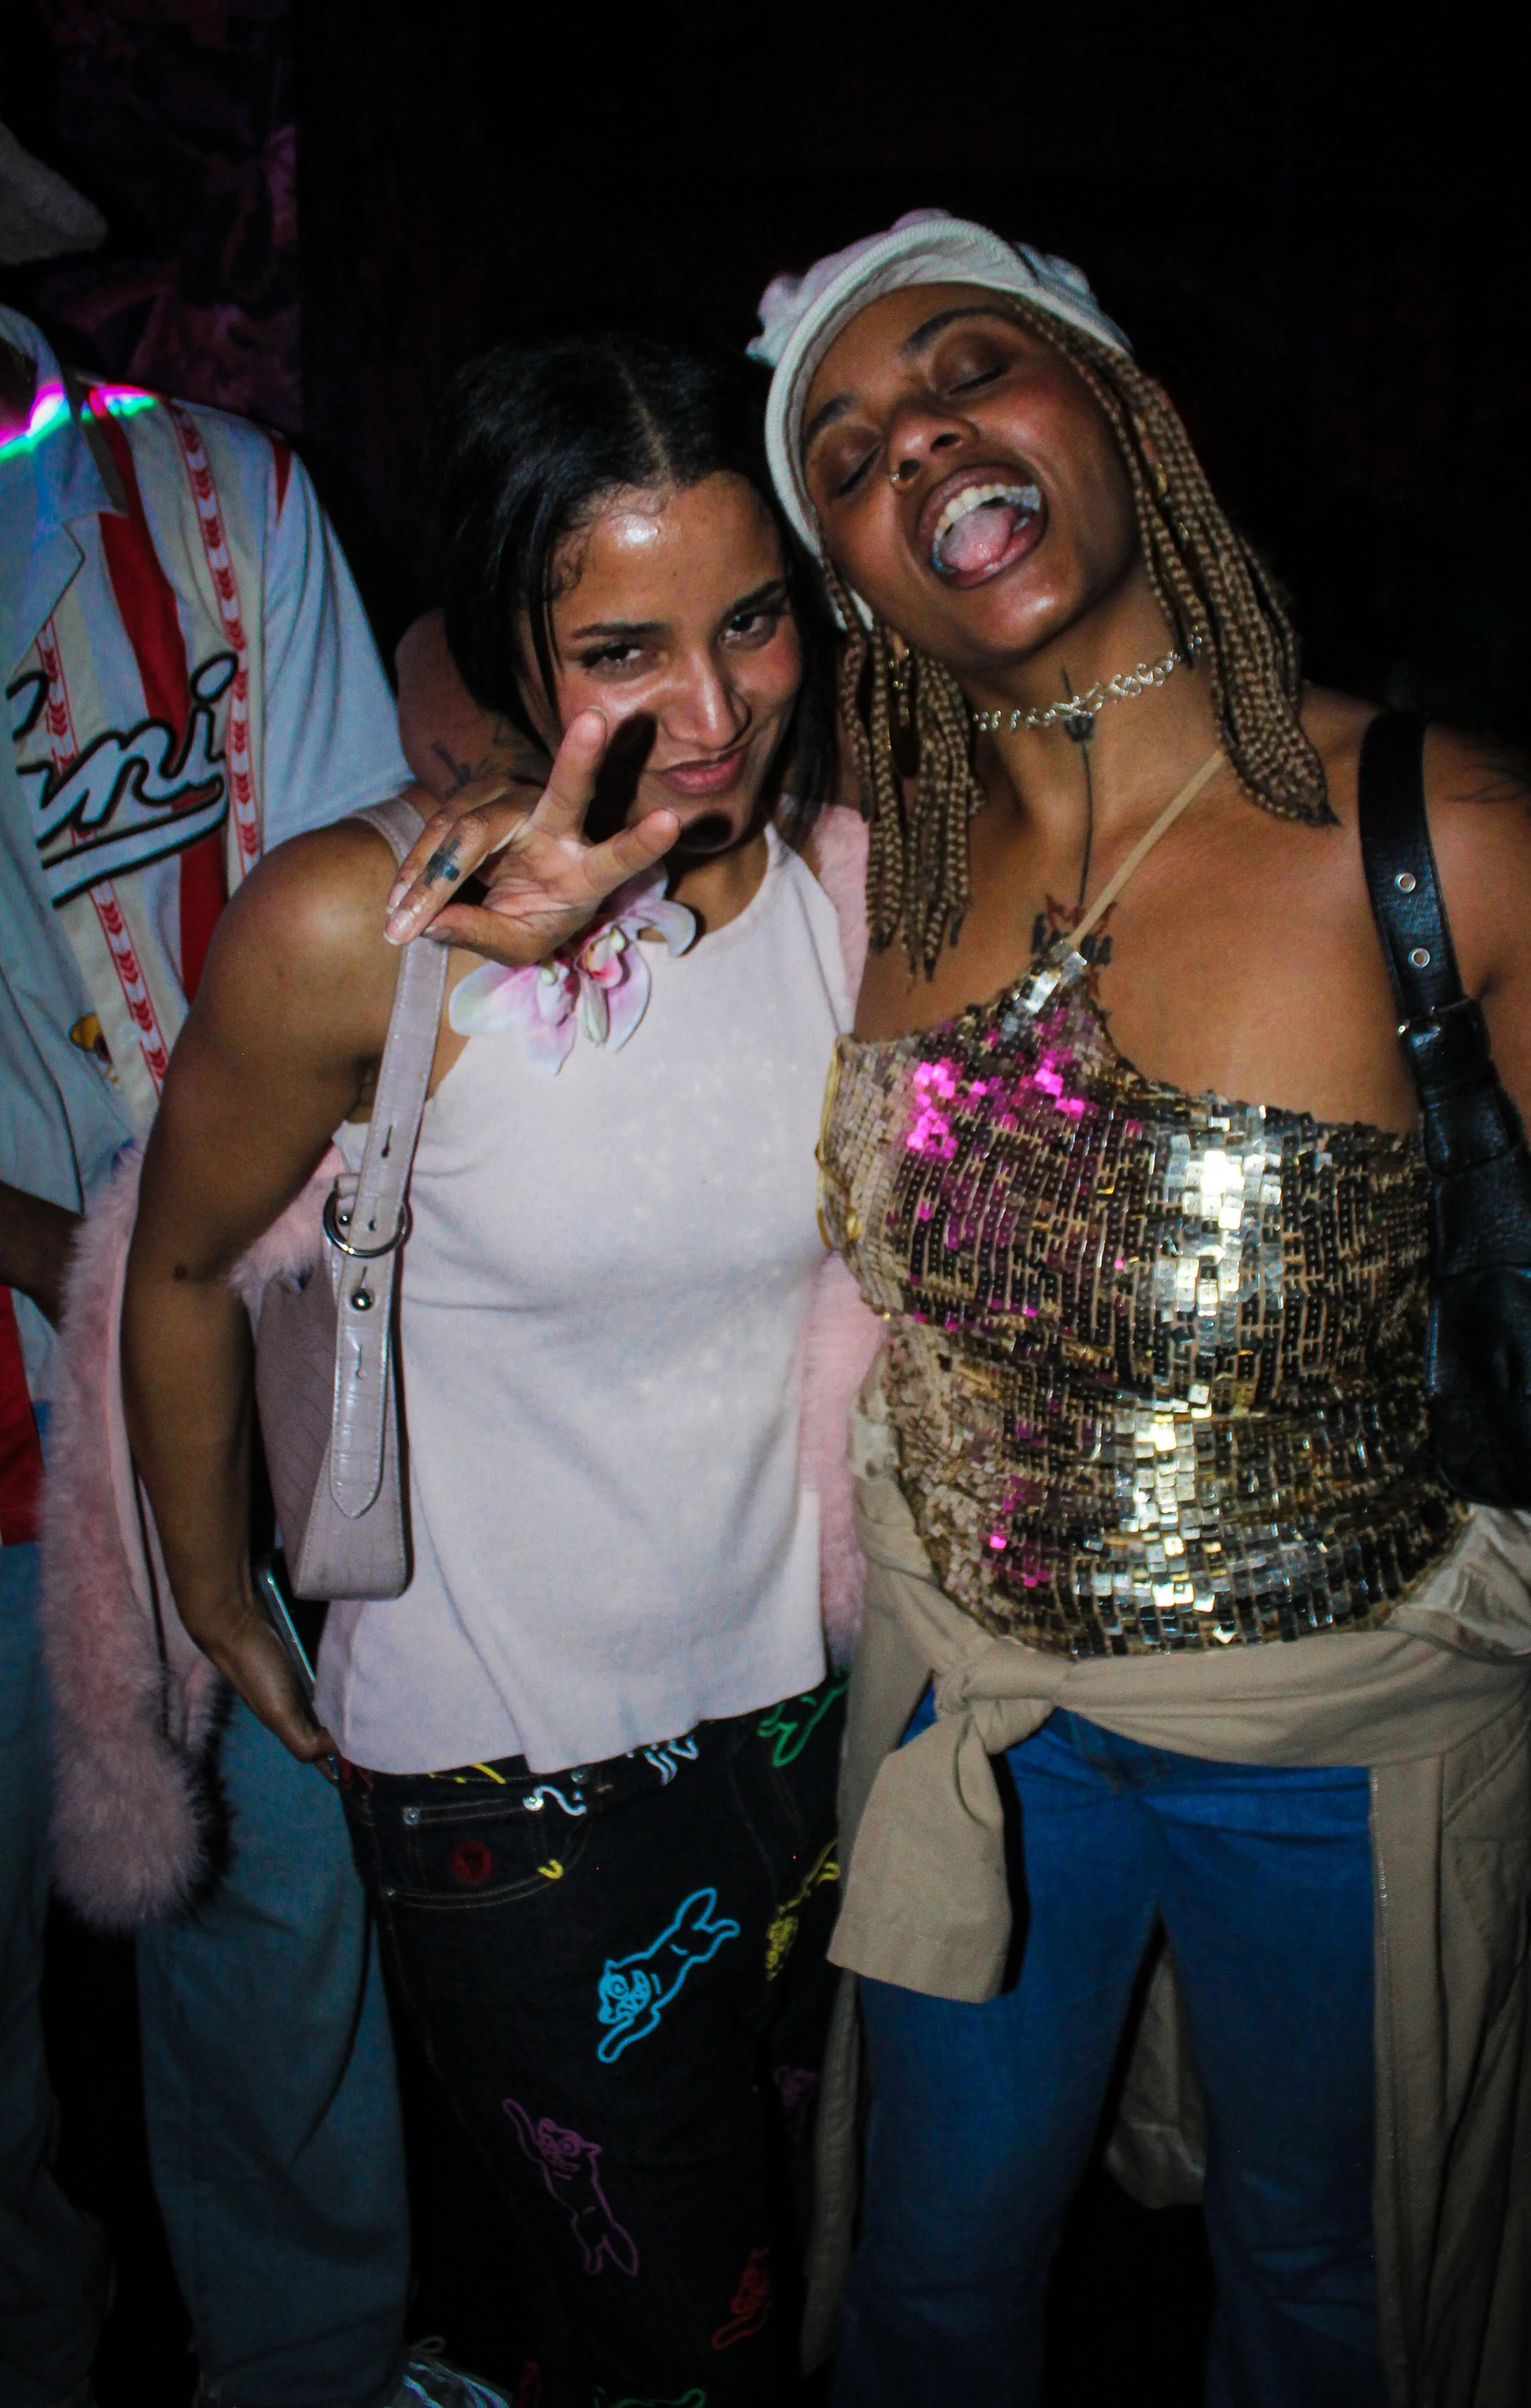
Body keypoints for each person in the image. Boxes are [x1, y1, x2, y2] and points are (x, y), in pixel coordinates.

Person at [736, 211, 1531, 2408]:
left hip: (1334, 1732)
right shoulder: (850, 877)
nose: (917, 444)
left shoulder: (1443, 827)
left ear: (1125, 406)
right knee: (927, 2275)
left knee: (1323, 2300)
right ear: (848, 582)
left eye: (969, 370)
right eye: (846, 452)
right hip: (977, 1717)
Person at [121, 330, 866, 2408]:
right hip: (509, 1787)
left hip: (811, 1725)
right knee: (684, 2343)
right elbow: (175, 1265)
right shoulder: (364, 924)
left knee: (794, 2270)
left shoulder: (845, 885)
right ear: (504, 641)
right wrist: (213, 1592)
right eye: (624, 648)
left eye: (752, 622)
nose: (711, 711)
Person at [0, 215, 509, 2408]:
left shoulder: (215, 493)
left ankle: (309, 2369)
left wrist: (160, 1280)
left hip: (227, 1371)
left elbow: (349, 956)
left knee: (282, 1932)